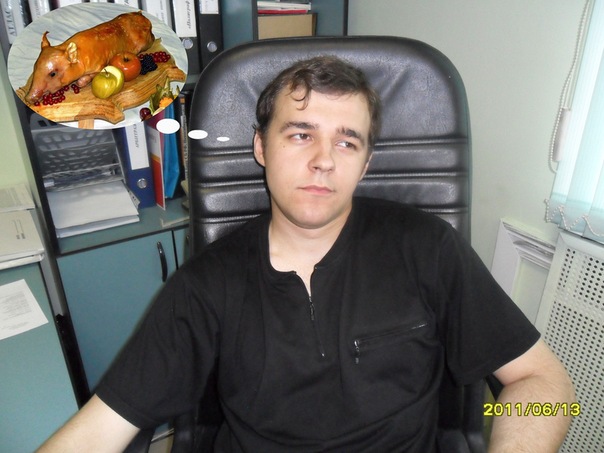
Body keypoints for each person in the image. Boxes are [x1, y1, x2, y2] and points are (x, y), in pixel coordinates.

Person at [38, 56, 574, 452]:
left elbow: (548, 385)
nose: (324, 161)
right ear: (261, 147)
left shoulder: (428, 248)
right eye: (300, 135)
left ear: (365, 163)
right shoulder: (206, 286)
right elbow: (98, 431)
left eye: (347, 142)